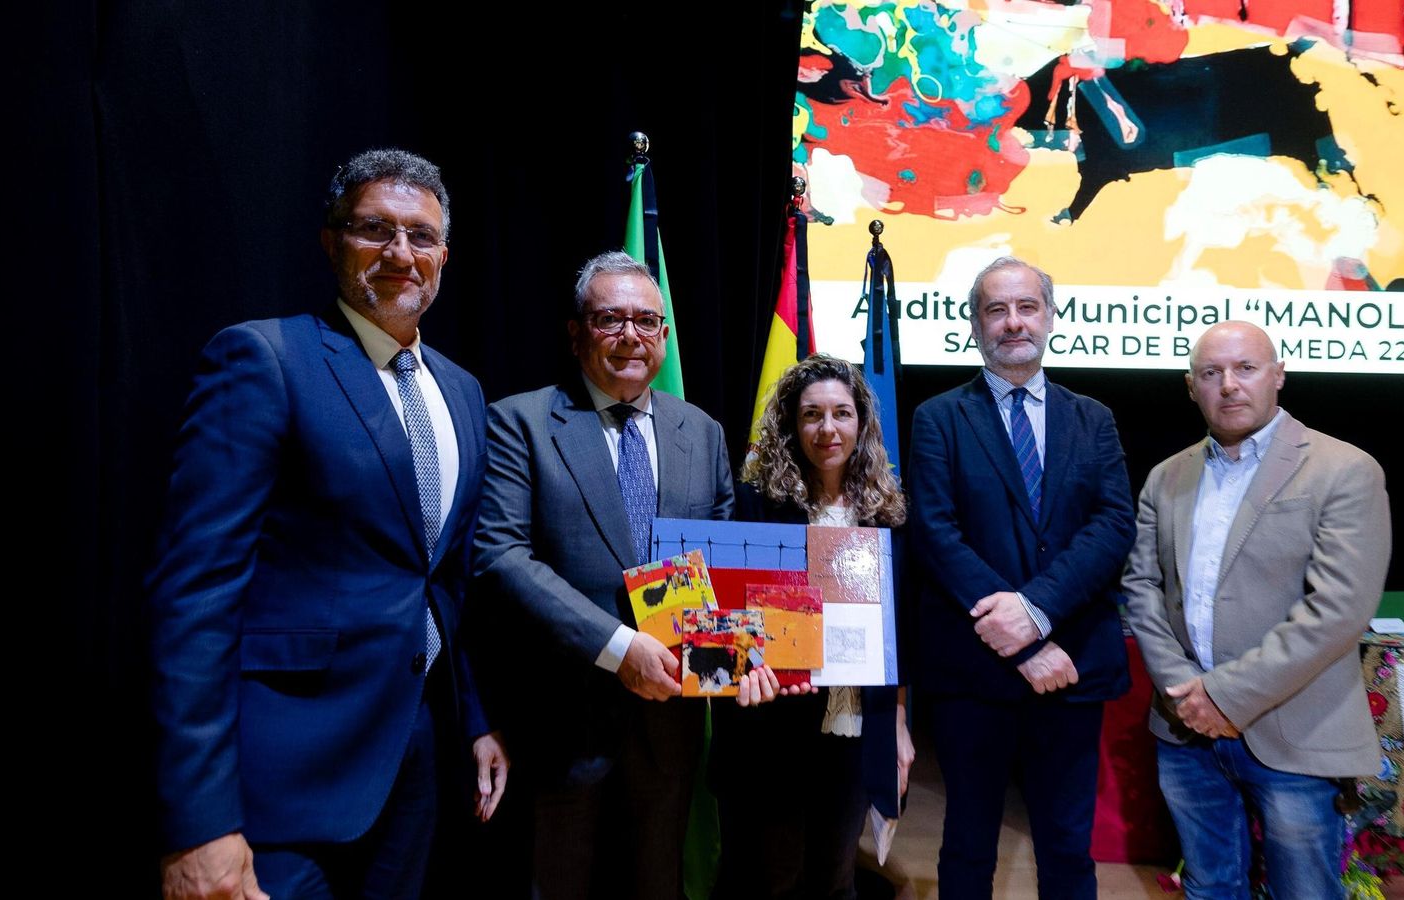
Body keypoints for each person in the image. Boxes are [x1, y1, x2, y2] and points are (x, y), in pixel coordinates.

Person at [149, 149, 507, 900]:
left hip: (412, 769)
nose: (401, 254)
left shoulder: (464, 393)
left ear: (444, 254)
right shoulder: (264, 359)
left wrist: (473, 718)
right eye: (375, 229)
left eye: (421, 236)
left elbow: (445, 582)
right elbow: (194, 600)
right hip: (278, 790)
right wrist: (199, 822)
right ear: (330, 241)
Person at [473, 250, 777, 899]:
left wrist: (747, 658)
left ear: (665, 335)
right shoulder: (520, 422)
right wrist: (620, 649)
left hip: (670, 723)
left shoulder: (701, 431)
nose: (631, 336)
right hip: (561, 720)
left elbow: (716, 570)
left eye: (647, 321)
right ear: (576, 331)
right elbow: (500, 556)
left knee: (656, 884)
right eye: (610, 319)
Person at [1121, 320, 1392, 900]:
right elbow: (1141, 589)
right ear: (1191, 387)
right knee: (1209, 887)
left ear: (1278, 375)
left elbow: (1340, 608)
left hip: (1295, 729)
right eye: (1211, 373)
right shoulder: (1166, 477)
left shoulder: (1344, 469)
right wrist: (1184, 690)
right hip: (1184, 729)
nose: (1229, 385)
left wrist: (1225, 696)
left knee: (1305, 892)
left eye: (1246, 368)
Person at [908, 256, 1136, 898]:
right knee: (968, 844)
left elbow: (1114, 524)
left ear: (1050, 316)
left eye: (1027, 307)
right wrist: (1023, 641)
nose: (1013, 323)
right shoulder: (939, 417)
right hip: (972, 673)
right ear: (975, 324)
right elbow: (935, 532)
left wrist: (1034, 615)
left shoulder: (1092, 418)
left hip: (1072, 666)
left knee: (1067, 847)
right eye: (996, 310)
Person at [713, 353, 915, 900]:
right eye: (812, 415)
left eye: (842, 414)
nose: (828, 429)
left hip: (856, 722)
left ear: (862, 423)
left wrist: (897, 722)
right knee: (773, 877)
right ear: (791, 425)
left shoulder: (886, 514)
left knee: (836, 877)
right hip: (777, 721)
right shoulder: (757, 506)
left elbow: (898, 631)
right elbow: (737, 615)